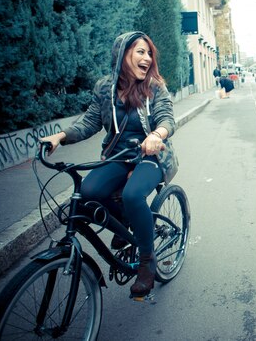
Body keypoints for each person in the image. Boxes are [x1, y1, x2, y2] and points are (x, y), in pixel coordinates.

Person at [41, 31, 176, 298]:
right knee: (89, 195)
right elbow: (89, 122)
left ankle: (147, 263)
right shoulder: (104, 87)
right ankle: (128, 220)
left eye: (149, 53)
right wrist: (61, 136)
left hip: (150, 156)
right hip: (117, 156)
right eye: (140, 51)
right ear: (122, 54)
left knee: (133, 194)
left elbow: (167, 118)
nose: (147, 58)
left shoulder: (155, 87)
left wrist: (156, 135)